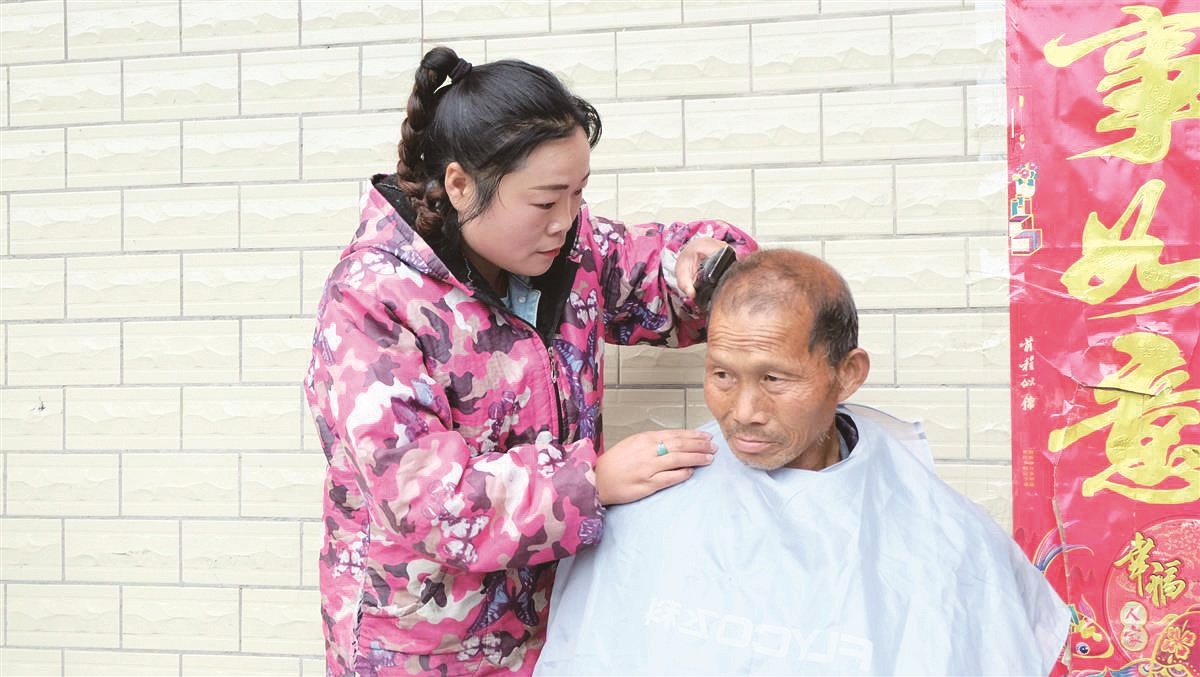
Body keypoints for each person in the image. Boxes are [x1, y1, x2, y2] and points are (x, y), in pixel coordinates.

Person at [303, 45, 756, 676]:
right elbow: (430, 502)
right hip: (421, 648)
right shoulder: (372, 301)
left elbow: (660, 273)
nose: (566, 221)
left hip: (557, 625)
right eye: (545, 202)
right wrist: (592, 481)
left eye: (578, 194)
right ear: (460, 185)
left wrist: (706, 266)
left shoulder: (571, 252)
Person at [536, 249, 1070, 676]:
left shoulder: (946, 533)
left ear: (848, 373)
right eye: (722, 376)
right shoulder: (648, 503)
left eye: (774, 379)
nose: (744, 412)